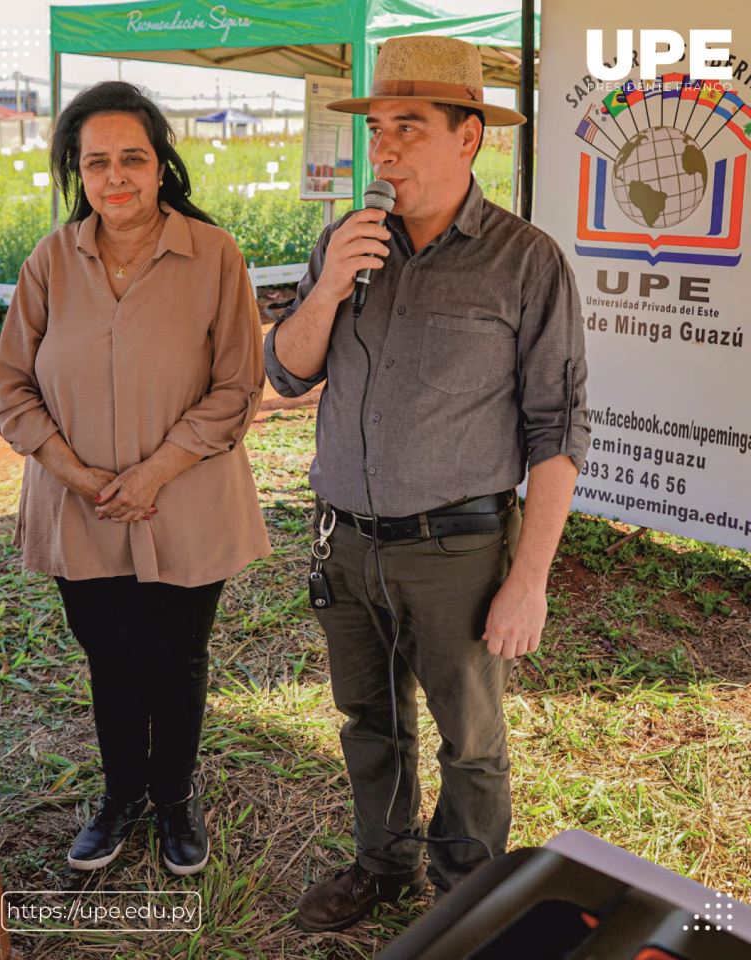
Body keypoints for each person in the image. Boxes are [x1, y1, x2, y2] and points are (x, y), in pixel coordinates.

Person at [264, 35, 591, 930]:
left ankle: (466, 896)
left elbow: (558, 432)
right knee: (369, 721)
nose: (388, 149)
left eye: (408, 127)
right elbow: (286, 374)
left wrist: (529, 581)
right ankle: (383, 863)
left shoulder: (525, 260)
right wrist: (328, 286)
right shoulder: (347, 242)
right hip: (347, 540)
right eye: (378, 129)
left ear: (469, 137)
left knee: (470, 740)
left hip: (459, 546)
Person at [0, 81, 270, 876]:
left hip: (187, 504)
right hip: (80, 509)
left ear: (160, 165)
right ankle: (119, 800)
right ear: (77, 173)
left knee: (178, 656)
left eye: (133, 159)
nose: (117, 178)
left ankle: (176, 802)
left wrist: (154, 472)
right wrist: (75, 473)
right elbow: (10, 386)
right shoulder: (50, 262)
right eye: (97, 162)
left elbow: (237, 385)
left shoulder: (215, 255)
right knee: (109, 656)